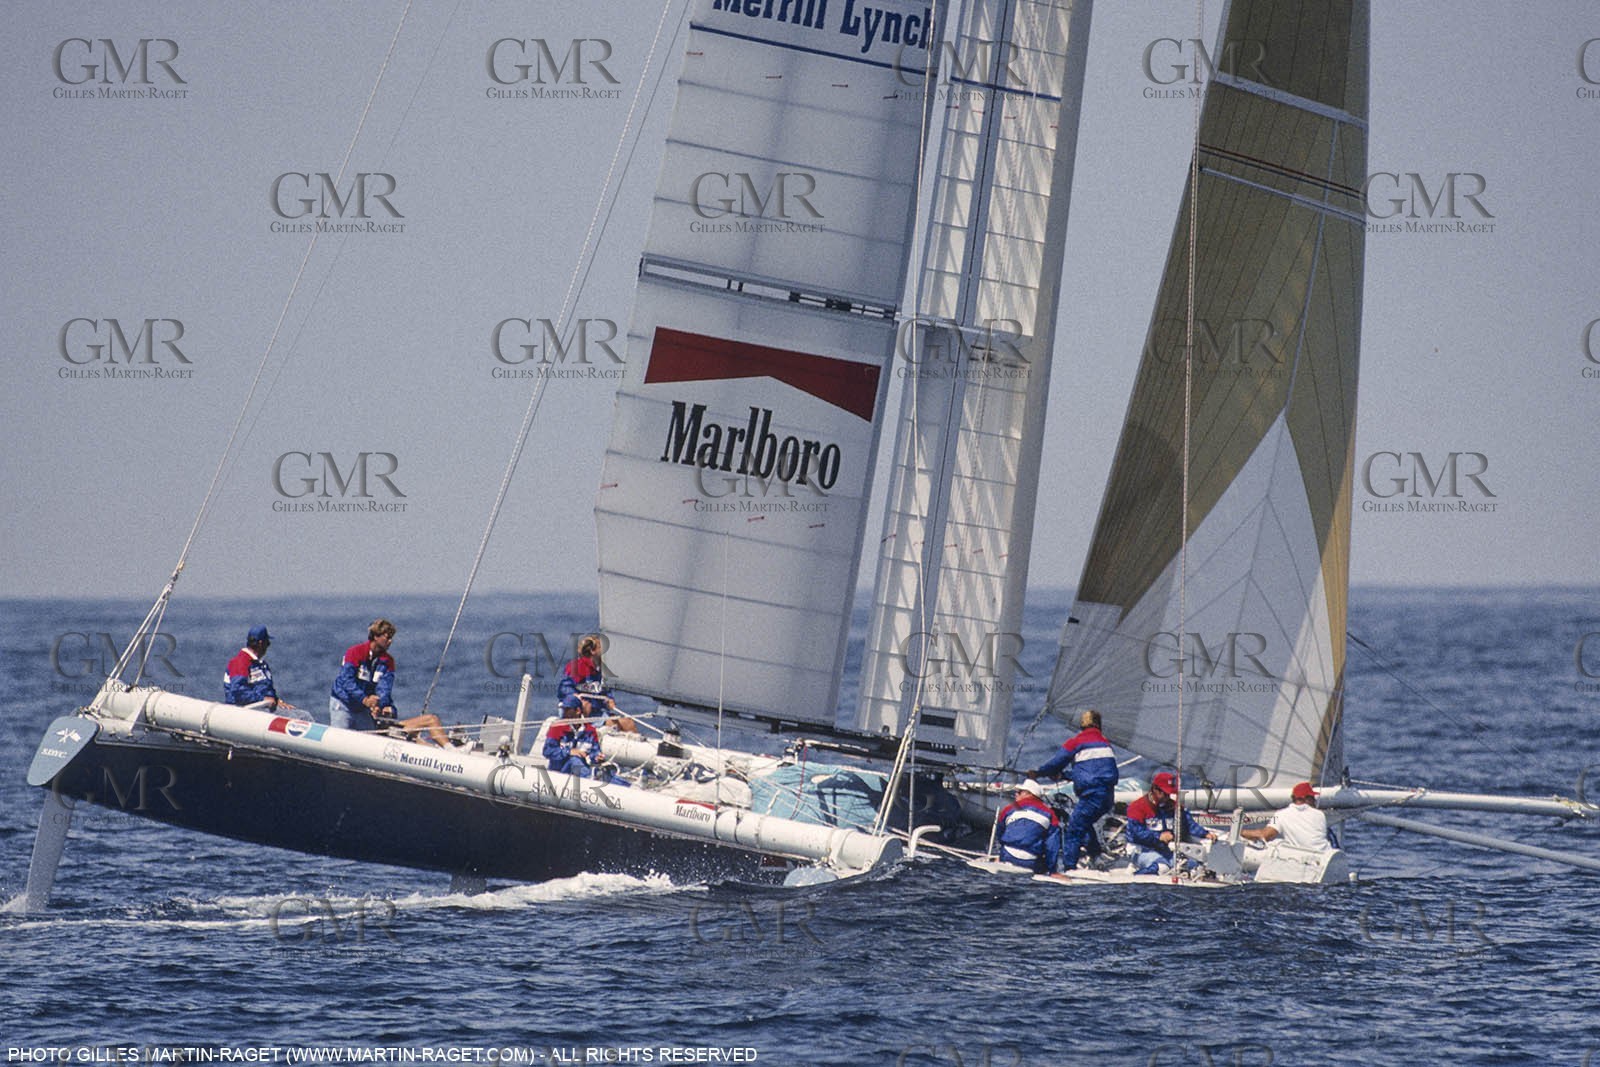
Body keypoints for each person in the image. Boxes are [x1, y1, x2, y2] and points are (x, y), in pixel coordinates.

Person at [329, 619, 454, 746]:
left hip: (363, 709)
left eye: (391, 638)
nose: (390, 641)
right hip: (344, 704)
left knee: (371, 742)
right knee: (339, 742)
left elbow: (384, 688)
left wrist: (382, 704)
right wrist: (365, 699)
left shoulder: (387, 661)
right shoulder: (355, 652)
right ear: (376, 637)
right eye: (387, 637)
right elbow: (346, 681)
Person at [1031, 708, 1119, 870]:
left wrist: (1039, 773)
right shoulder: (1105, 744)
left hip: (1092, 796)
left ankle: (1069, 869)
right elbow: (1090, 772)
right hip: (1107, 797)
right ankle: (1097, 856)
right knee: (1083, 823)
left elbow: (1056, 762)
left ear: (1082, 725)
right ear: (1099, 726)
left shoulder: (1077, 742)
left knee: (1073, 829)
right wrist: (1064, 776)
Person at [1124, 771, 1211, 875]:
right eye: (1164, 794)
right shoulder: (1137, 808)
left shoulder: (1173, 807)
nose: (1167, 797)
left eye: (1169, 794)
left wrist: (1205, 834)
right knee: (1162, 867)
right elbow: (1137, 834)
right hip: (1141, 849)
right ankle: (1136, 876)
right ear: (1155, 789)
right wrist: (1159, 836)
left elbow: (1188, 824)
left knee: (1192, 866)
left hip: (1166, 849)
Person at [558, 633, 638, 733]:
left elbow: (604, 691)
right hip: (578, 712)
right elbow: (565, 689)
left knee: (629, 723)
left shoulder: (601, 670)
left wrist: (609, 700)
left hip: (597, 712)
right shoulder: (578, 666)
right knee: (614, 725)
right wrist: (578, 701)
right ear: (593, 651)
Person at [1240, 781, 1333, 851]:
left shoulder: (1282, 815)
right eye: (1312, 798)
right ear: (1306, 798)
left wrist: (1240, 832)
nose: (1315, 801)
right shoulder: (1320, 815)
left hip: (1308, 860)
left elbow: (1265, 835)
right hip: (1326, 855)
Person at [993, 779, 1062, 873]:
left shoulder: (1009, 808)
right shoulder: (1051, 815)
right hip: (1031, 862)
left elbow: (1000, 833)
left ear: (1028, 793)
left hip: (1007, 856)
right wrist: (1052, 871)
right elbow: (1052, 846)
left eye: (1019, 792)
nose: (1016, 794)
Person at [224, 625, 292, 710]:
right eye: (267, 643)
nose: (268, 647)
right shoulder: (240, 662)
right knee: (302, 717)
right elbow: (238, 691)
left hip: (264, 707)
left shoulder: (261, 665)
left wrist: (276, 700)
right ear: (261, 644)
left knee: (301, 715)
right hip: (246, 710)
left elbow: (266, 688)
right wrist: (262, 699)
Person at [544, 694, 605, 778]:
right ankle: (591, 779)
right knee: (574, 760)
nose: (564, 712)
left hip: (582, 772)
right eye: (563, 709)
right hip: (559, 773)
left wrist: (597, 757)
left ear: (578, 711)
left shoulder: (590, 731)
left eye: (567, 709)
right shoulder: (557, 727)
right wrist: (569, 752)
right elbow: (547, 751)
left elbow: (594, 752)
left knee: (607, 772)